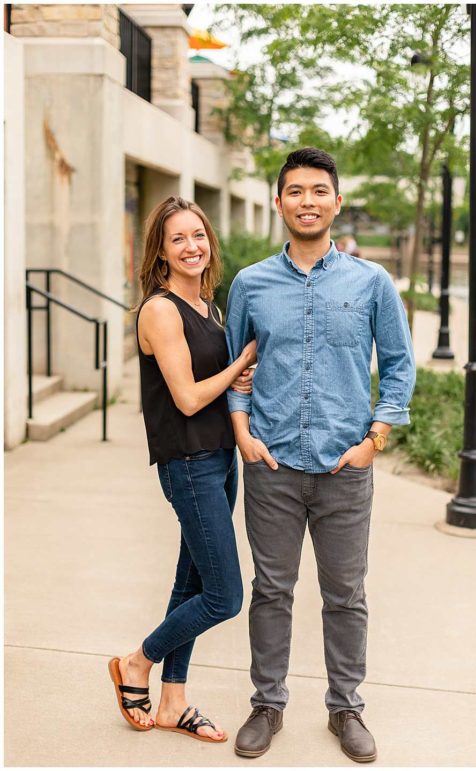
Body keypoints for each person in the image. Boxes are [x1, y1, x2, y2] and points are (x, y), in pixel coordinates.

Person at [224, 147, 416, 762]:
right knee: (271, 591)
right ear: (279, 202)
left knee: (346, 595)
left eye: (318, 191)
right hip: (272, 466)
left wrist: (372, 442)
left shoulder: (371, 282)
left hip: (343, 470)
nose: (307, 201)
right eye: (295, 191)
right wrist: (243, 434)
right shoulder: (251, 284)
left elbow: (399, 365)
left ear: (336, 201)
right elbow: (235, 368)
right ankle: (267, 704)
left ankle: (346, 708)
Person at [108, 196, 257, 743]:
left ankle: (173, 701)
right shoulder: (160, 310)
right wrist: (241, 364)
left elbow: (216, 386)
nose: (192, 246)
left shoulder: (208, 306)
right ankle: (136, 662)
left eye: (198, 235)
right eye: (178, 239)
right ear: (161, 252)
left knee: (190, 582)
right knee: (224, 596)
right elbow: (189, 398)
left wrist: (238, 377)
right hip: (189, 464)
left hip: (219, 458)